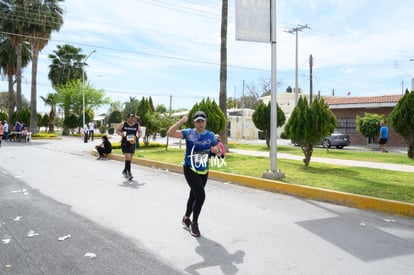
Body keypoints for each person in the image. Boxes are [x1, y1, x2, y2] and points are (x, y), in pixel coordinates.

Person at [167, 111, 222, 237]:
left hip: (203, 170)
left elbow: (219, 150)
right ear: (194, 122)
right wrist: (181, 121)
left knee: (194, 196)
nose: (200, 123)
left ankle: (186, 218)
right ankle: (194, 223)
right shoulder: (189, 133)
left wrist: (216, 150)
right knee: (201, 196)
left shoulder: (210, 135)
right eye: (198, 121)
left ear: (205, 121)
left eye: (202, 121)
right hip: (190, 168)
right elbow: (169, 133)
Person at [116, 113, 142, 180]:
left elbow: (140, 131)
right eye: (130, 118)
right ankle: (129, 173)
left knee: (130, 158)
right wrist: (121, 134)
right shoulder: (123, 124)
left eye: (133, 118)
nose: (132, 119)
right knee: (128, 157)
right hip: (125, 143)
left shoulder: (136, 124)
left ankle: (125, 170)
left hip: (132, 143)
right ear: (127, 118)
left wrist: (139, 135)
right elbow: (117, 130)